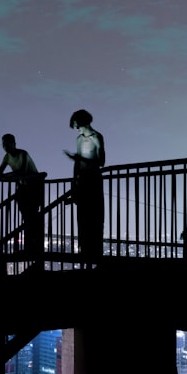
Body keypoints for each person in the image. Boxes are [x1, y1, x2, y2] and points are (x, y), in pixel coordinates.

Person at [63, 109, 105, 263]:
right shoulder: (79, 139)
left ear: (84, 122)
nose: (76, 128)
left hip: (93, 182)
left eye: (77, 125)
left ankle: (95, 256)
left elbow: (101, 162)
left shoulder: (97, 137)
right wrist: (74, 180)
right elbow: (78, 163)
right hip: (82, 182)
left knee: (94, 218)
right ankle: (85, 253)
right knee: (82, 220)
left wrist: (79, 159)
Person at [0, 134, 45, 258]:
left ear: (14, 144)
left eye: (7, 144)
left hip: (33, 188)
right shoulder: (7, 157)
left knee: (31, 216)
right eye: (3, 144)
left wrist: (5, 176)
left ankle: (33, 246)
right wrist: (0, 175)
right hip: (23, 188)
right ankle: (30, 246)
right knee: (27, 217)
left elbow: (21, 172)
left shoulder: (23, 154)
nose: (5, 147)